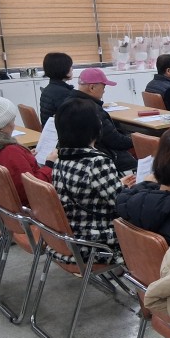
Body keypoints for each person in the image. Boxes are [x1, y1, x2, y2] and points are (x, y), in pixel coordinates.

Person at [52, 98, 135, 265]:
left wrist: (119, 184)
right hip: (99, 242)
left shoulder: (59, 158)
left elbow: (87, 191)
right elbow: (123, 205)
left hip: (70, 237)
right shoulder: (97, 161)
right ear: (94, 128)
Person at [0, 94, 54, 205]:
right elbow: (32, 191)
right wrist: (49, 165)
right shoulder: (10, 152)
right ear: (3, 124)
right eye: (12, 121)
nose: (13, 125)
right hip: (33, 207)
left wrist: (25, 157)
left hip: (1, 205)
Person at [64, 68, 136, 172]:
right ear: (92, 87)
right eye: (104, 87)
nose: (104, 91)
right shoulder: (92, 110)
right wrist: (136, 139)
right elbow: (116, 141)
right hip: (108, 159)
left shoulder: (67, 103)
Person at [39, 52, 75, 125]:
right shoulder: (63, 93)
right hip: (57, 131)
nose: (72, 69)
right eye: (70, 66)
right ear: (63, 69)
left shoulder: (49, 88)